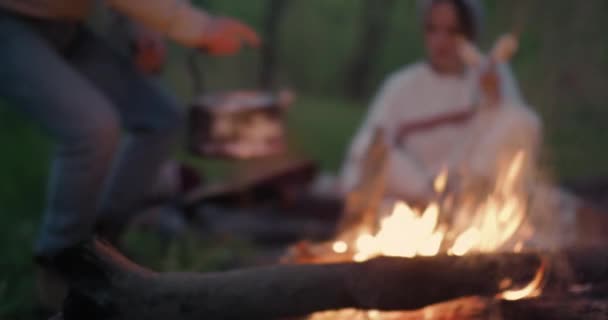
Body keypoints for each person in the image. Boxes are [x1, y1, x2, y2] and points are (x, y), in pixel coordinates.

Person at [0, 0, 259, 310]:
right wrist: (201, 28)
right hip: (10, 21)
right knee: (93, 128)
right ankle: (60, 264)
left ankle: (103, 244)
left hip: (67, 26)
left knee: (161, 119)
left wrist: (141, 29)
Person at [340, 0, 540, 204]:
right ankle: (436, 201)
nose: (441, 41)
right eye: (432, 29)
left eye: (452, 32)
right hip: (416, 192)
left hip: (468, 191)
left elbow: (517, 133)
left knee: (524, 120)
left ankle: (463, 202)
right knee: (370, 145)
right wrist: (424, 189)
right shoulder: (401, 86)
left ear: (470, 35)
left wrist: (494, 99)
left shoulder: (489, 77)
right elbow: (366, 148)